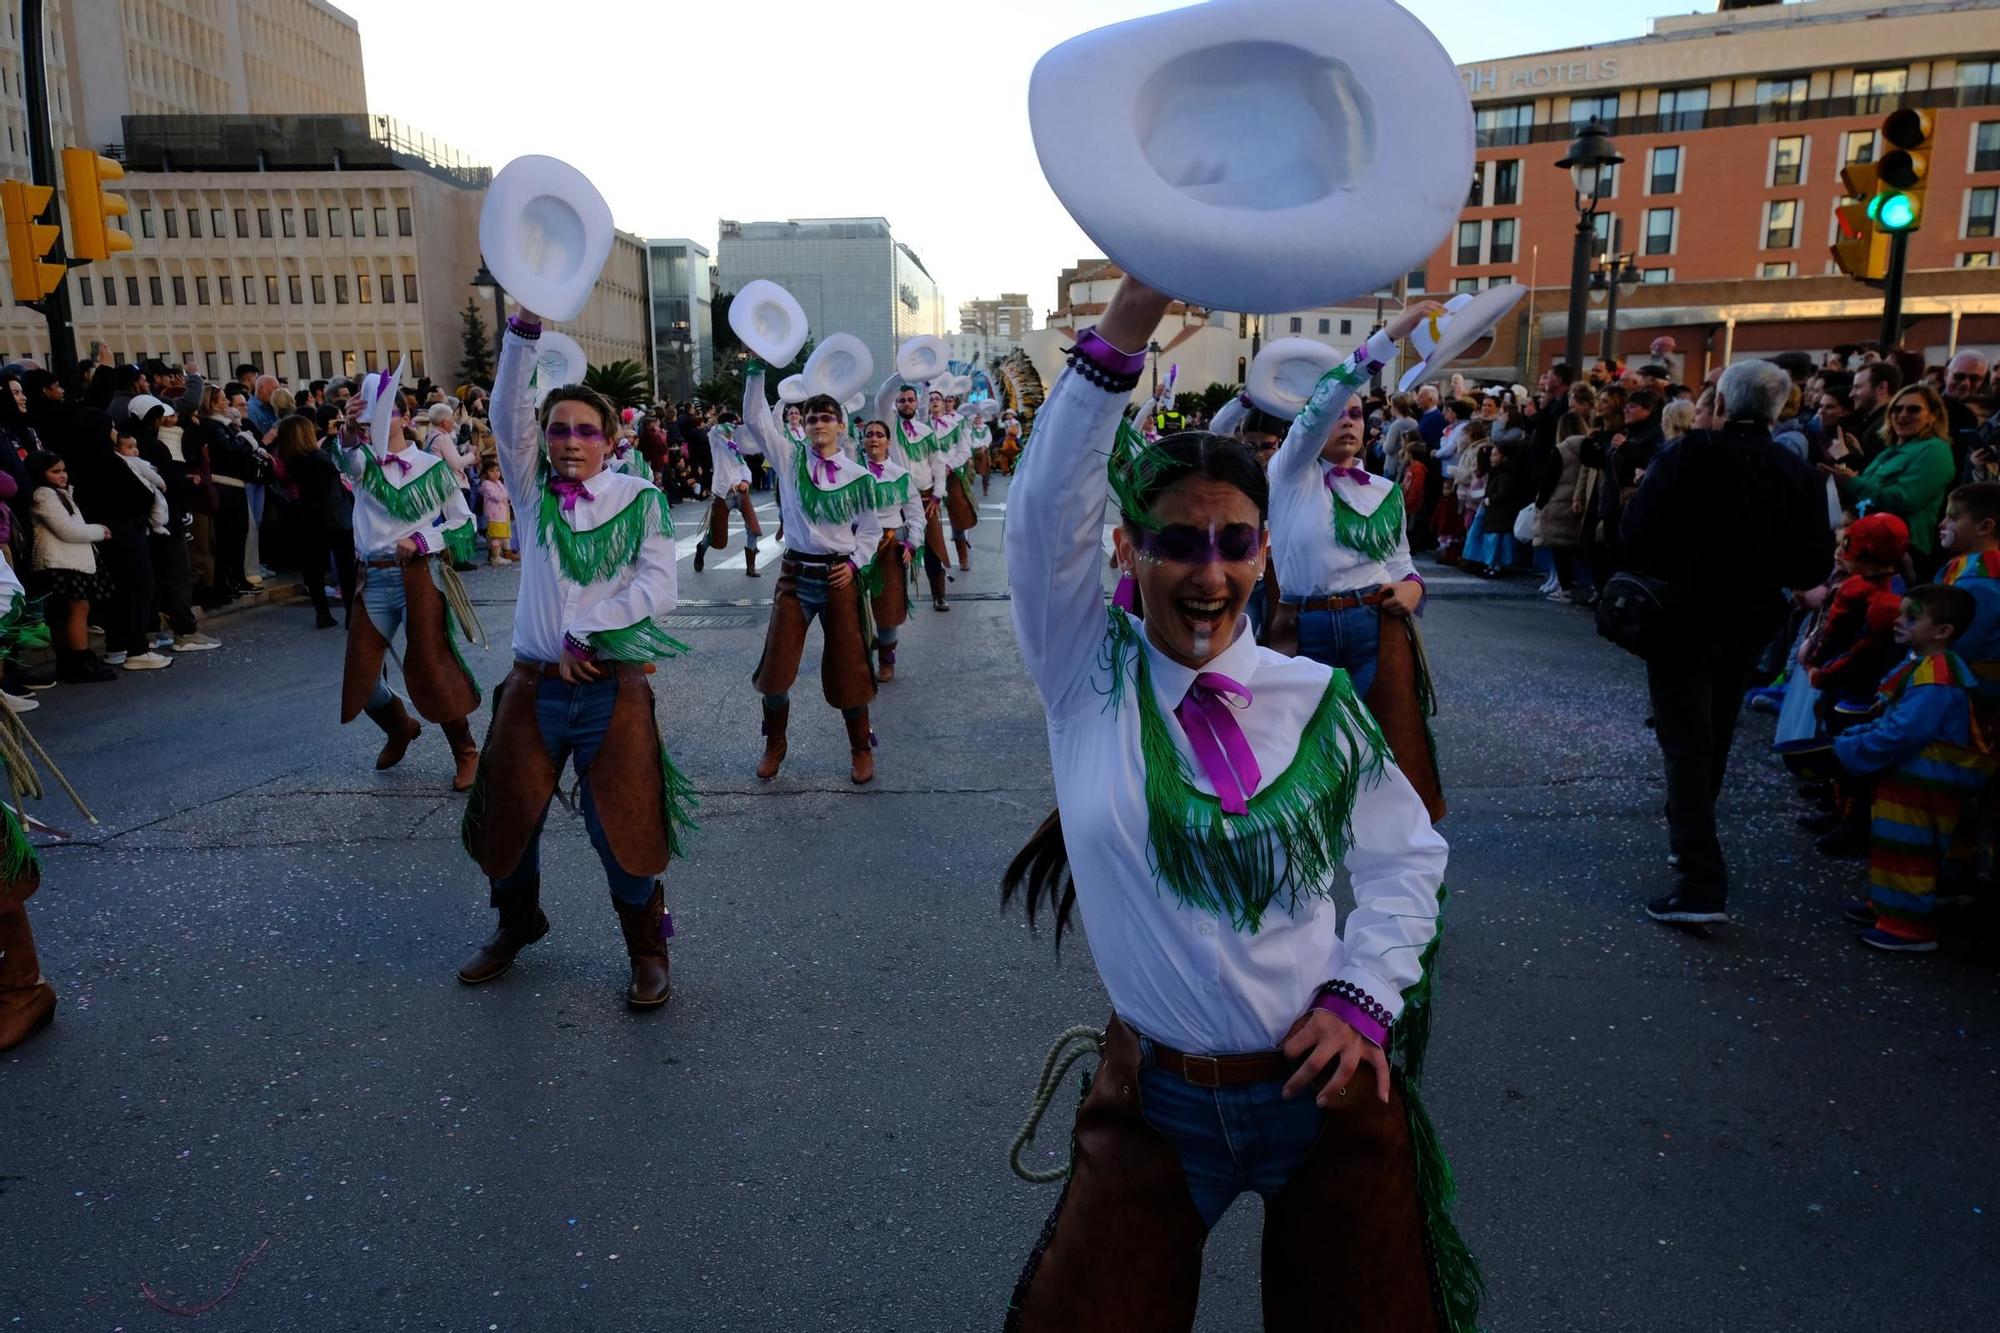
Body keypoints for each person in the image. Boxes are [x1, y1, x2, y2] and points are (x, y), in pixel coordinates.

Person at [998, 274, 1473, 1331]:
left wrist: (1363, 994)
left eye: (1234, 542)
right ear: (1128, 550)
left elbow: (1405, 854)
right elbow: (1041, 515)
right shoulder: (1085, 676)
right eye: (1176, 540)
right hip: (1158, 1104)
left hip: (1320, 1095)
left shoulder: (1314, 702)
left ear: (1264, 550)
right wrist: (1132, 311)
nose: (1207, 572)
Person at [457, 312, 691, 1009]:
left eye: (585, 430)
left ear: (610, 441)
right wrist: (521, 335)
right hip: (532, 689)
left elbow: (659, 587)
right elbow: (507, 409)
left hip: (606, 687)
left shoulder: (639, 499)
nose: (569, 441)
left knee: (621, 825)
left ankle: (647, 948)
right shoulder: (528, 496)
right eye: (558, 429)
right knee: (508, 816)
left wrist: (587, 628)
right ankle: (517, 921)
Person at [1623, 358, 1834, 925]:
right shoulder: (1797, 473)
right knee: (1712, 734)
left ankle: (1699, 877)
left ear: (1721, 403)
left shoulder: (1690, 455)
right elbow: (1813, 561)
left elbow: (1636, 531)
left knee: (1686, 741)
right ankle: (1692, 844)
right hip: (1750, 620)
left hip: (1683, 616)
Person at [1261, 300, 1447, 820]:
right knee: (1294, 758)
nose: (1346, 421)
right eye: (1338, 414)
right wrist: (1391, 336)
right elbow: (1326, 397)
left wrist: (1413, 590)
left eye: (1357, 414)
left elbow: (1402, 562)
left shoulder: (1385, 489)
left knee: (1394, 753)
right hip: (1306, 627)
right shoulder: (1289, 472)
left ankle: (1396, 860)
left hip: (1376, 624)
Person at [332, 372, 482, 791]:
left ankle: (466, 751)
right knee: (361, 677)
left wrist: (421, 538)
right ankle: (400, 727)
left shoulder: (433, 468)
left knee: (433, 666)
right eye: (367, 418)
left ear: (402, 418)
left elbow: (463, 523)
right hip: (372, 578)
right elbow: (344, 457)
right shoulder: (361, 462)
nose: (373, 424)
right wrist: (347, 427)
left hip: (418, 576)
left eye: (383, 414)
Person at [737, 372, 883, 785]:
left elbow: (870, 532)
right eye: (812, 417)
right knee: (776, 674)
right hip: (795, 576)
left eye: (826, 417)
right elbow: (755, 418)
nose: (818, 423)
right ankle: (775, 743)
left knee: (850, 669)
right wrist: (755, 370)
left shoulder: (858, 476)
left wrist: (854, 564)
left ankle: (859, 748)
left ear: (841, 425)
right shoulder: (788, 457)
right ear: (802, 423)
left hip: (839, 577)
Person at [1832, 584, 1995, 952]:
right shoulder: (1925, 667)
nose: (1899, 621)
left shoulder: (1936, 676)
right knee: (1895, 846)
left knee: (1910, 851)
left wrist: (1851, 746)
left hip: (1922, 784)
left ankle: (1908, 927)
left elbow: (1905, 731)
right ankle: (1889, 908)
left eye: (1912, 616)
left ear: (1943, 632)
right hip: (1912, 780)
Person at [1825, 384, 1956, 577]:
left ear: (1933, 416)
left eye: (1914, 409)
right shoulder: (1889, 452)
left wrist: (1852, 482)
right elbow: (1867, 496)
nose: (1903, 414)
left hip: (1898, 552)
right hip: (1865, 546)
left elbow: (1904, 499)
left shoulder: (1935, 450)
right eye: (1897, 408)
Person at [28, 450, 117, 682]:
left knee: (71, 611)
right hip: (62, 562)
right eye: (55, 471)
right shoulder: (45, 496)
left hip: (69, 561)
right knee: (77, 609)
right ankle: (79, 661)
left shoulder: (60, 494)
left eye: (63, 470)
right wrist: (99, 531)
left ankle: (74, 661)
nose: (62, 475)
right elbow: (67, 530)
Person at [273, 415, 355, 628]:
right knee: (346, 565)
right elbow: (340, 468)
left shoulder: (291, 459)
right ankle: (351, 612)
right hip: (335, 514)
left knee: (313, 567)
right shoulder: (318, 458)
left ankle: (322, 612)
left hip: (307, 515)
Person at [856, 418, 920, 680]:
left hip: (891, 541)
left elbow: (916, 514)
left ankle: (886, 660)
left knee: (888, 604)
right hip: (857, 543)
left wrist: (912, 543)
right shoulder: (851, 472)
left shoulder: (901, 475)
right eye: (869, 434)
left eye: (879, 435)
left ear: (888, 441)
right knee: (852, 603)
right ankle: (858, 657)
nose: (874, 438)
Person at [692, 408, 762, 577]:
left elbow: (744, 466)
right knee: (718, 536)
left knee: (753, 528)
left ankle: (750, 566)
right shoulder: (716, 440)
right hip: (723, 493)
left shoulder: (736, 446)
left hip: (740, 492)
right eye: (733, 425)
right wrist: (722, 423)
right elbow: (715, 430)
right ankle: (702, 547)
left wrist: (746, 481)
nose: (735, 429)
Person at [477, 460, 514, 566]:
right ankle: (495, 558)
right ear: (486, 473)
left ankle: (499, 554)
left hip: (502, 515)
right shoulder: (486, 485)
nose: (495, 473)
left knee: (501, 535)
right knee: (496, 536)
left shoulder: (498, 483)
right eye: (491, 471)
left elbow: (505, 496)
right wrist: (505, 494)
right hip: (494, 515)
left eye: (497, 470)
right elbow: (498, 497)